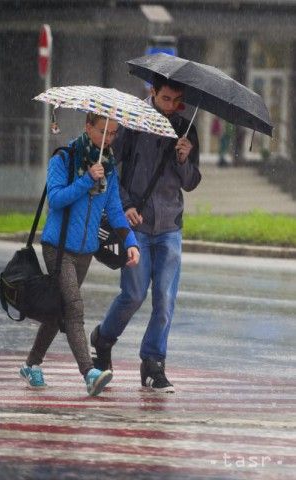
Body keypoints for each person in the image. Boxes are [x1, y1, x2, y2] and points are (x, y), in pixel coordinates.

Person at [90, 76, 201, 393]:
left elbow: (191, 181)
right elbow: (110, 168)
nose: (171, 106)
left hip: (170, 228)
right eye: (166, 98)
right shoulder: (132, 124)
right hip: (136, 226)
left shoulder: (185, 128)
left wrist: (182, 158)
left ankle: (153, 364)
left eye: (177, 100)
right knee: (134, 295)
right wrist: (124, 206)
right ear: (153, 93)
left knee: (165, 300)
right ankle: (104, 338)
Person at [19, 112, 140, 397]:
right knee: (74, 308)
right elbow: (56, 199)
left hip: (86, 251)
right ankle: (89, 373)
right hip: (58, 248)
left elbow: (113, 211)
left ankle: (31, 364)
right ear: (88, 127)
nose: (108, 139)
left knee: (57, 309)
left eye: (113, 134)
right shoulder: (63, 158)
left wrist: (131, 242)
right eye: (103, 132)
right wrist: (86, 180)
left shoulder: (108, 168)